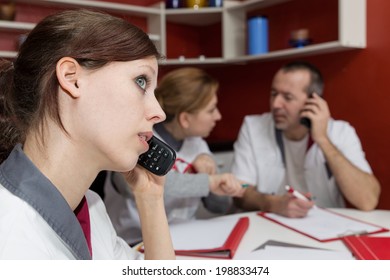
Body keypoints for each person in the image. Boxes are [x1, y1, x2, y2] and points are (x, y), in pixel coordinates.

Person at [0, 9, 175, 260]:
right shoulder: (12, 242)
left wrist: (151, 199)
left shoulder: (90, 207)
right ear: (72, 78)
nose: (158, 113)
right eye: (141, 81)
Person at [104, 67, 244, 245]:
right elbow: (156, 183)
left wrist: (214, 174)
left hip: (182, 239)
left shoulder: (198, 144)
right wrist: (209, 182)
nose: (218, 116)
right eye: (211, 110)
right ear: (185, 119)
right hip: (133, 243)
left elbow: (218, 206)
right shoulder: (138, 139)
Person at [232, 61, 380, 218]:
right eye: (274, 94)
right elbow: (241, 189)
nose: (276, 104)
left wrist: (323, 140)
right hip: (270, 224)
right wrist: (273, 203)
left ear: (312, 102)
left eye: (287, 97)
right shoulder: (253, 127)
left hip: (325, 227)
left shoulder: (340, 132)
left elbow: (367, 200)